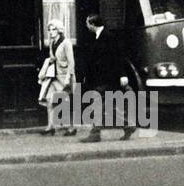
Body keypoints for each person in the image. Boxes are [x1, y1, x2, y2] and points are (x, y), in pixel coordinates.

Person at [81, 12, 135, 143]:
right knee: (108, 105)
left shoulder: (109, 37)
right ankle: (128, 126)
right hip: (102, 78)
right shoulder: (98, 36)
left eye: (87, 23)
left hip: (109, 78)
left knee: (100, 104)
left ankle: (95, 134)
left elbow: (118, 56)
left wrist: (122, 75)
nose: (86, 26)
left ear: (93, 24)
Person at [37, 20, 76, 136]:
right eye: (49, 30)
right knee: (49, 99)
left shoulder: (66, 43)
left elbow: (71, 62)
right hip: (54, 76)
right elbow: (53, 58)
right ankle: (50, 126)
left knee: (66, 101)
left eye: (53, 29)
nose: (50, 32)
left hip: (64, 76)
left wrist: (68, 77)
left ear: (59, 29)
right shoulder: (52, 42)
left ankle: (71, 127)